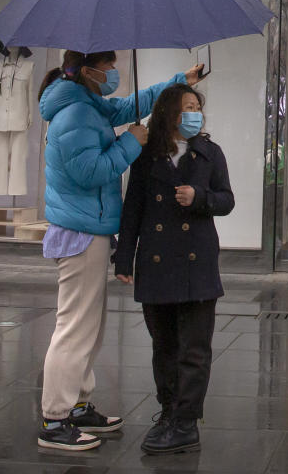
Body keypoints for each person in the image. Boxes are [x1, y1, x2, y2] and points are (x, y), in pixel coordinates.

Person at [37, 50, 200, 451]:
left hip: (90, 227)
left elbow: (131, 105)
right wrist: (130, 141)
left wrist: (181, 78)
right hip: (80, 231)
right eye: (109, 66)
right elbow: (89, 171)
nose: (114, 72)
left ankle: (77, 404)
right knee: (74, 327)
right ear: (88, 71)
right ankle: (55, 419)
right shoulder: (74, 115)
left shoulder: (87, 104)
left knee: (90, 327)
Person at [114, 84, 234, 454]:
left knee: (194, 349)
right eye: (186, 107)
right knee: (163, 345)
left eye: (197, 106)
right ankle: (167, 411)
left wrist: (200, 198)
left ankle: (186, 423)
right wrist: (123, 257)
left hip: (197, 264)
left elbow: (226, 200)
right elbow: (132, 208)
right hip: (156, 261)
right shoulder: (146, 156)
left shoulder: (210, 153)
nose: (194, 113)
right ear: (168, 113)